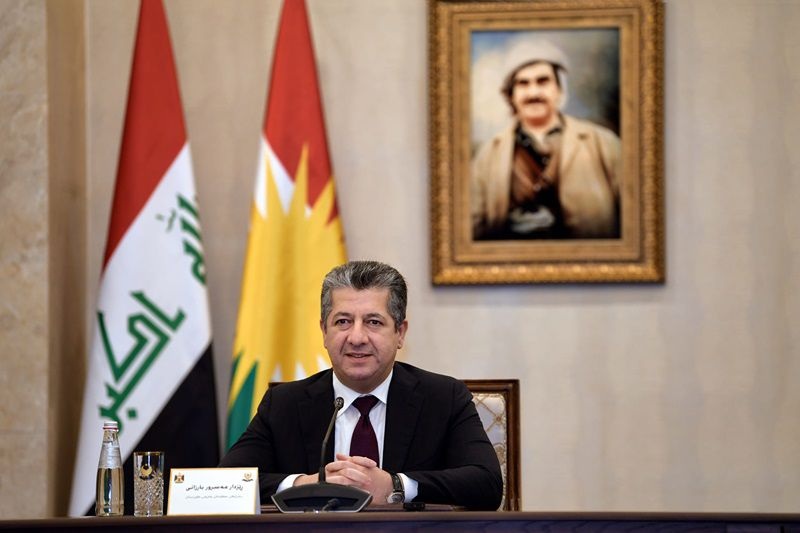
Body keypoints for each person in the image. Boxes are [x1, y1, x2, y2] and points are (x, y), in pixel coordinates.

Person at [220, 260, 503, 510]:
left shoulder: (443, 398)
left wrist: (395, 486)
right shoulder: (284, 403)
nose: (356, 338)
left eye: (373, 322)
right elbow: (224, 485)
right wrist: (305, 485)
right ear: (324, 331)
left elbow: (486, 484)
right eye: (343, 321)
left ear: (400, 333)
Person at [472, 40, 621, 240]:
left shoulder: (604, 143)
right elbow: (471, 230)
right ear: (511, 94)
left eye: (542, 81)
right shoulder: (487, 155)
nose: (533, 93)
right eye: (523, 83)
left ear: (559, 89)